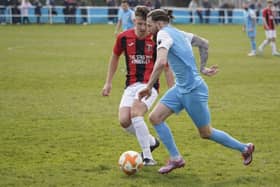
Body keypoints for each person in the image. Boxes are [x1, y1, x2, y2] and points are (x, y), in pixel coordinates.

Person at [138, 9, 255, 174]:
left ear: (159, 24)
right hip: (180, 88)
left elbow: (161, 61)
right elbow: (204, 43)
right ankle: (176, 158)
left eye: (150, 25)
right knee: (155, 118)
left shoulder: (163, 34)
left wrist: (149, 86)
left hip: (193, 90)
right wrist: (202, 68)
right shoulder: (179, 32)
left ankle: (245, 148)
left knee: (206, 132)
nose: (148, 29)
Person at [102, 6, 174, 166]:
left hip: (150, 86)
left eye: (145, 24)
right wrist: (108, 83)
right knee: (124, 121)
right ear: (134, 21)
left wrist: (172, 89)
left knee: (136, 113)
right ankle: (151, 141)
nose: (143, 28)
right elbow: (114, 57)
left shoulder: (156, 39)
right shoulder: (123, 38)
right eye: (139, 24)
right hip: (131, 86)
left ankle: (148, 157)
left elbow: (166, 66)